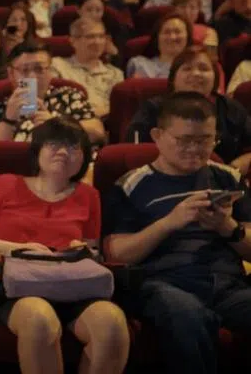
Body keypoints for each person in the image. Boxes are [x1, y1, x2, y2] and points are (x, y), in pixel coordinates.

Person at [0, 117, 129, 374]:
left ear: (84, 157)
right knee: (39, 320)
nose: (63, 152)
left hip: (72, 285)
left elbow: (93, 250)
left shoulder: (89, 195)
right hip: (16, 285)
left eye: (73, 147)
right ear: (37, 150)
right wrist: (17, 248)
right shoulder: (7, 184)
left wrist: (80, 249)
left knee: (112, 324)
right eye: (54, 144)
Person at [103, 93, 251, 374]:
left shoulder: (227, 178)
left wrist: (227, 227)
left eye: (205, 140)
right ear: (157, 136)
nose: (195, 150)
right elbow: (116, 253)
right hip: (164, 283)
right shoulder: (131, 185)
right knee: (184, 312)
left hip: (227, 284)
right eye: (184, 140)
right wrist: (170, 222)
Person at [125, 45, 251, 177]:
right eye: (187, 68)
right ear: (173, 78)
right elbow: (136, 152)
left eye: (203, 69)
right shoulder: (154, 109)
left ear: (215, 78)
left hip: (223, 181)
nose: (196, 74)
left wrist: (240, 163)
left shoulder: (231, 108)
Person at [0, 40, 104, 145]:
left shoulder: (70, 96)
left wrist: (56, 124)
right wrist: (8, 120)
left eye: (39, 69)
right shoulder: (0, 108)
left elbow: (98, 133)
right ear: (11, 74)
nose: (33, 76)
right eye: (25, 70)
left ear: (50, 72)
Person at [51, 17, 124, 118]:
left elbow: (119, 109)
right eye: (90, 37)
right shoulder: (57, 65)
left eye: (101, 36)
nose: (97, 42)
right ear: (73, 41)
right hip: (69, 125)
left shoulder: (115, 73)